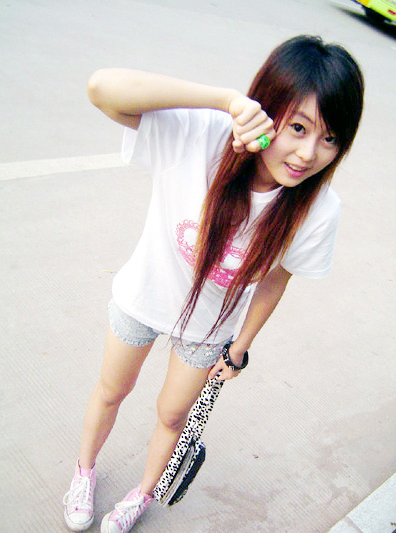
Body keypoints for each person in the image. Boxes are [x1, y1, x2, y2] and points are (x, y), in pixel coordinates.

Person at [63, 35, 364, 532]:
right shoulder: (203, 136)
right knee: (112, 391)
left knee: (172, 417)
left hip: (206, 328)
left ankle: (141, 495)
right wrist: (226, 101)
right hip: (143, 296)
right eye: (297, 127)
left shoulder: (317, 208)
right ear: (265, 110)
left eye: (330, 138)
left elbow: (275, 279)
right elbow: (102, 88)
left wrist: (240, 347)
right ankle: (84, 472)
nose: (308, 154)